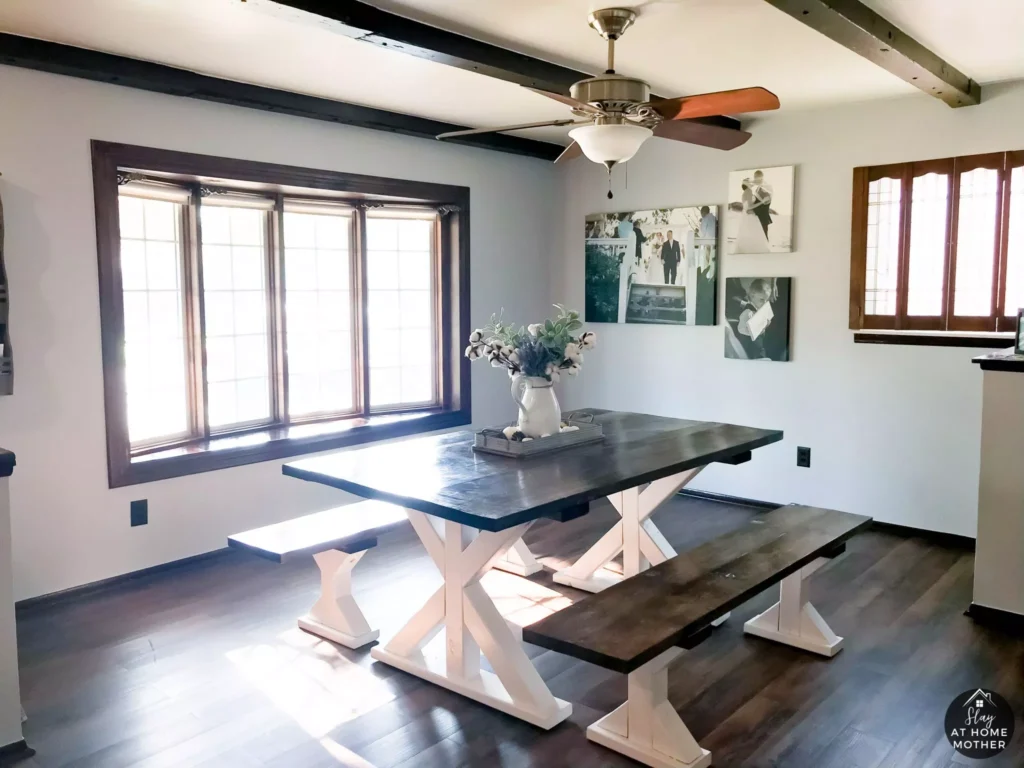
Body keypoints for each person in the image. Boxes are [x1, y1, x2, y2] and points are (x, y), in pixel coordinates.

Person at [733, 183, 771, 253]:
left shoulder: (745, 192)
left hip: (746, 215)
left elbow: (747, 206)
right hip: (750, 215)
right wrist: (762, 202)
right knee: (754, 234)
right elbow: (749, 207)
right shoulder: (749, 191)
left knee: (748, 233)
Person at [750, 170, 773, 240]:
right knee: (760, 233)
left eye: (756, 177)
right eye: (754, 177)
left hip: (762, 212)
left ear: (760, 177)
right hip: (758, 212)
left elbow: (767, 200)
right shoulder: (759, 187)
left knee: (764, 232)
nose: (754, 178)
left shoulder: (765, 187)